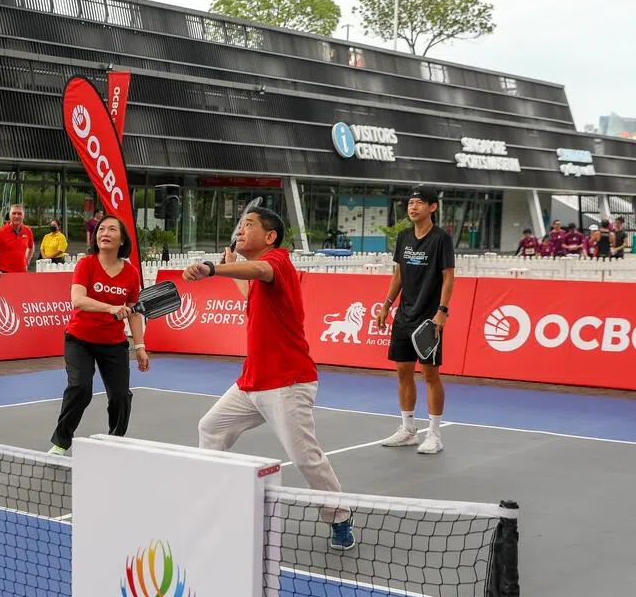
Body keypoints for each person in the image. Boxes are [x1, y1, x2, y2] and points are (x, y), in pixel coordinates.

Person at [181, 206, 354, 550]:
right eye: (240, 226)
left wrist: (213, 268)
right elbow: (251, 289)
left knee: (305, 457)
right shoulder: (260, 277)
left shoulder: (278, 262)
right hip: (252, 383)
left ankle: (340, 517)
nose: (241, 230)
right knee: (211, 428)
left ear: (270, 236)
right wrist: (231, 268)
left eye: (249, 225)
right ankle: (217, 500)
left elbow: (259, 269)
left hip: (287, 383)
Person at [49, 215, 149, 455]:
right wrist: (110, 308)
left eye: (112, 229)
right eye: (101, 229)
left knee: (120, 397)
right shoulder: (86, 264)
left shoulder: (131, 273)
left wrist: (140, 347)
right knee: (80, 388)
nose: (104, 233)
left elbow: (134, 313)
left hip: (113, 344)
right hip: (79, 339)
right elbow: (78, 299)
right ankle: (61, 442)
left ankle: (116, 441)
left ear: (122, 239)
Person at [374, 185, 455, 455]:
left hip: (428, 318)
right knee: (402, 372)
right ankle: (408, 430)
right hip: (404, 316)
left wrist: (442, 310)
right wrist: (386, 305)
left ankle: (434, 434)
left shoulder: (441, 239)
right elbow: (398, 274)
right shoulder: (404, 237)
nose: (413, 207)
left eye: (419, 203)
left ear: (432, 207)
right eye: (410, 203)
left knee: (430, 374)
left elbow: (448, 276)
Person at [0, 204, 34, 273]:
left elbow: (31, 247)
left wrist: (27, 260)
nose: (16, 216)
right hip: (4, 273)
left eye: (19, 214)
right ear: (10, 215)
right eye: (14, 213)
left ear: (23, 216)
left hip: (22, 272)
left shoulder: (28, 230)